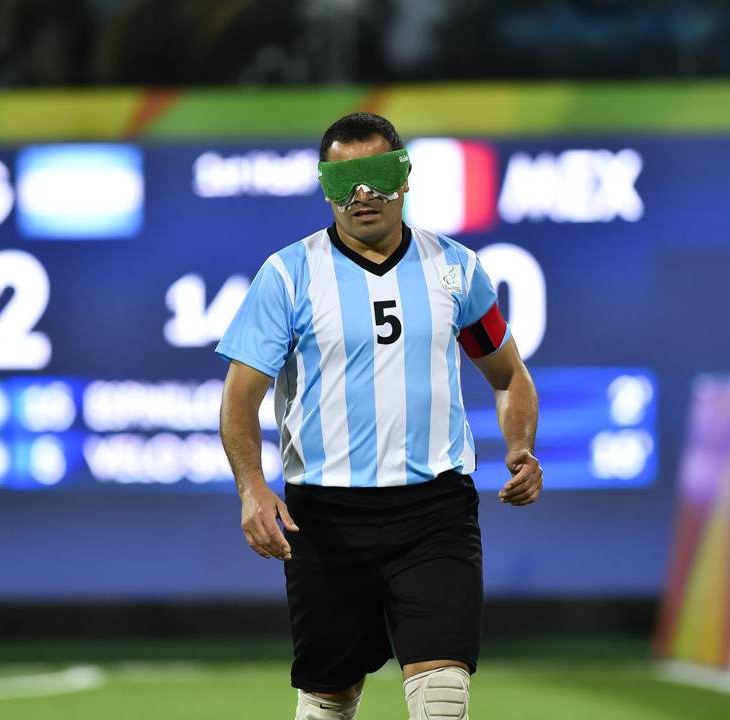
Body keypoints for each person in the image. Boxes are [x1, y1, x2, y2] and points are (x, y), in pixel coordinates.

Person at [216, 112, 542, 720]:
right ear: (324, 187)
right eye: (346, 181)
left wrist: (519, 444)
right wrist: (251, 488)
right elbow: (239, 400)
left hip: (435, 512)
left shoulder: (456, 269)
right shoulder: (287, 276)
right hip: (325, 517)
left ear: (407, 177)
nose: (363, 194)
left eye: (377, 176)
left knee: (443, 698)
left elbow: (509, 376)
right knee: (328, 701)